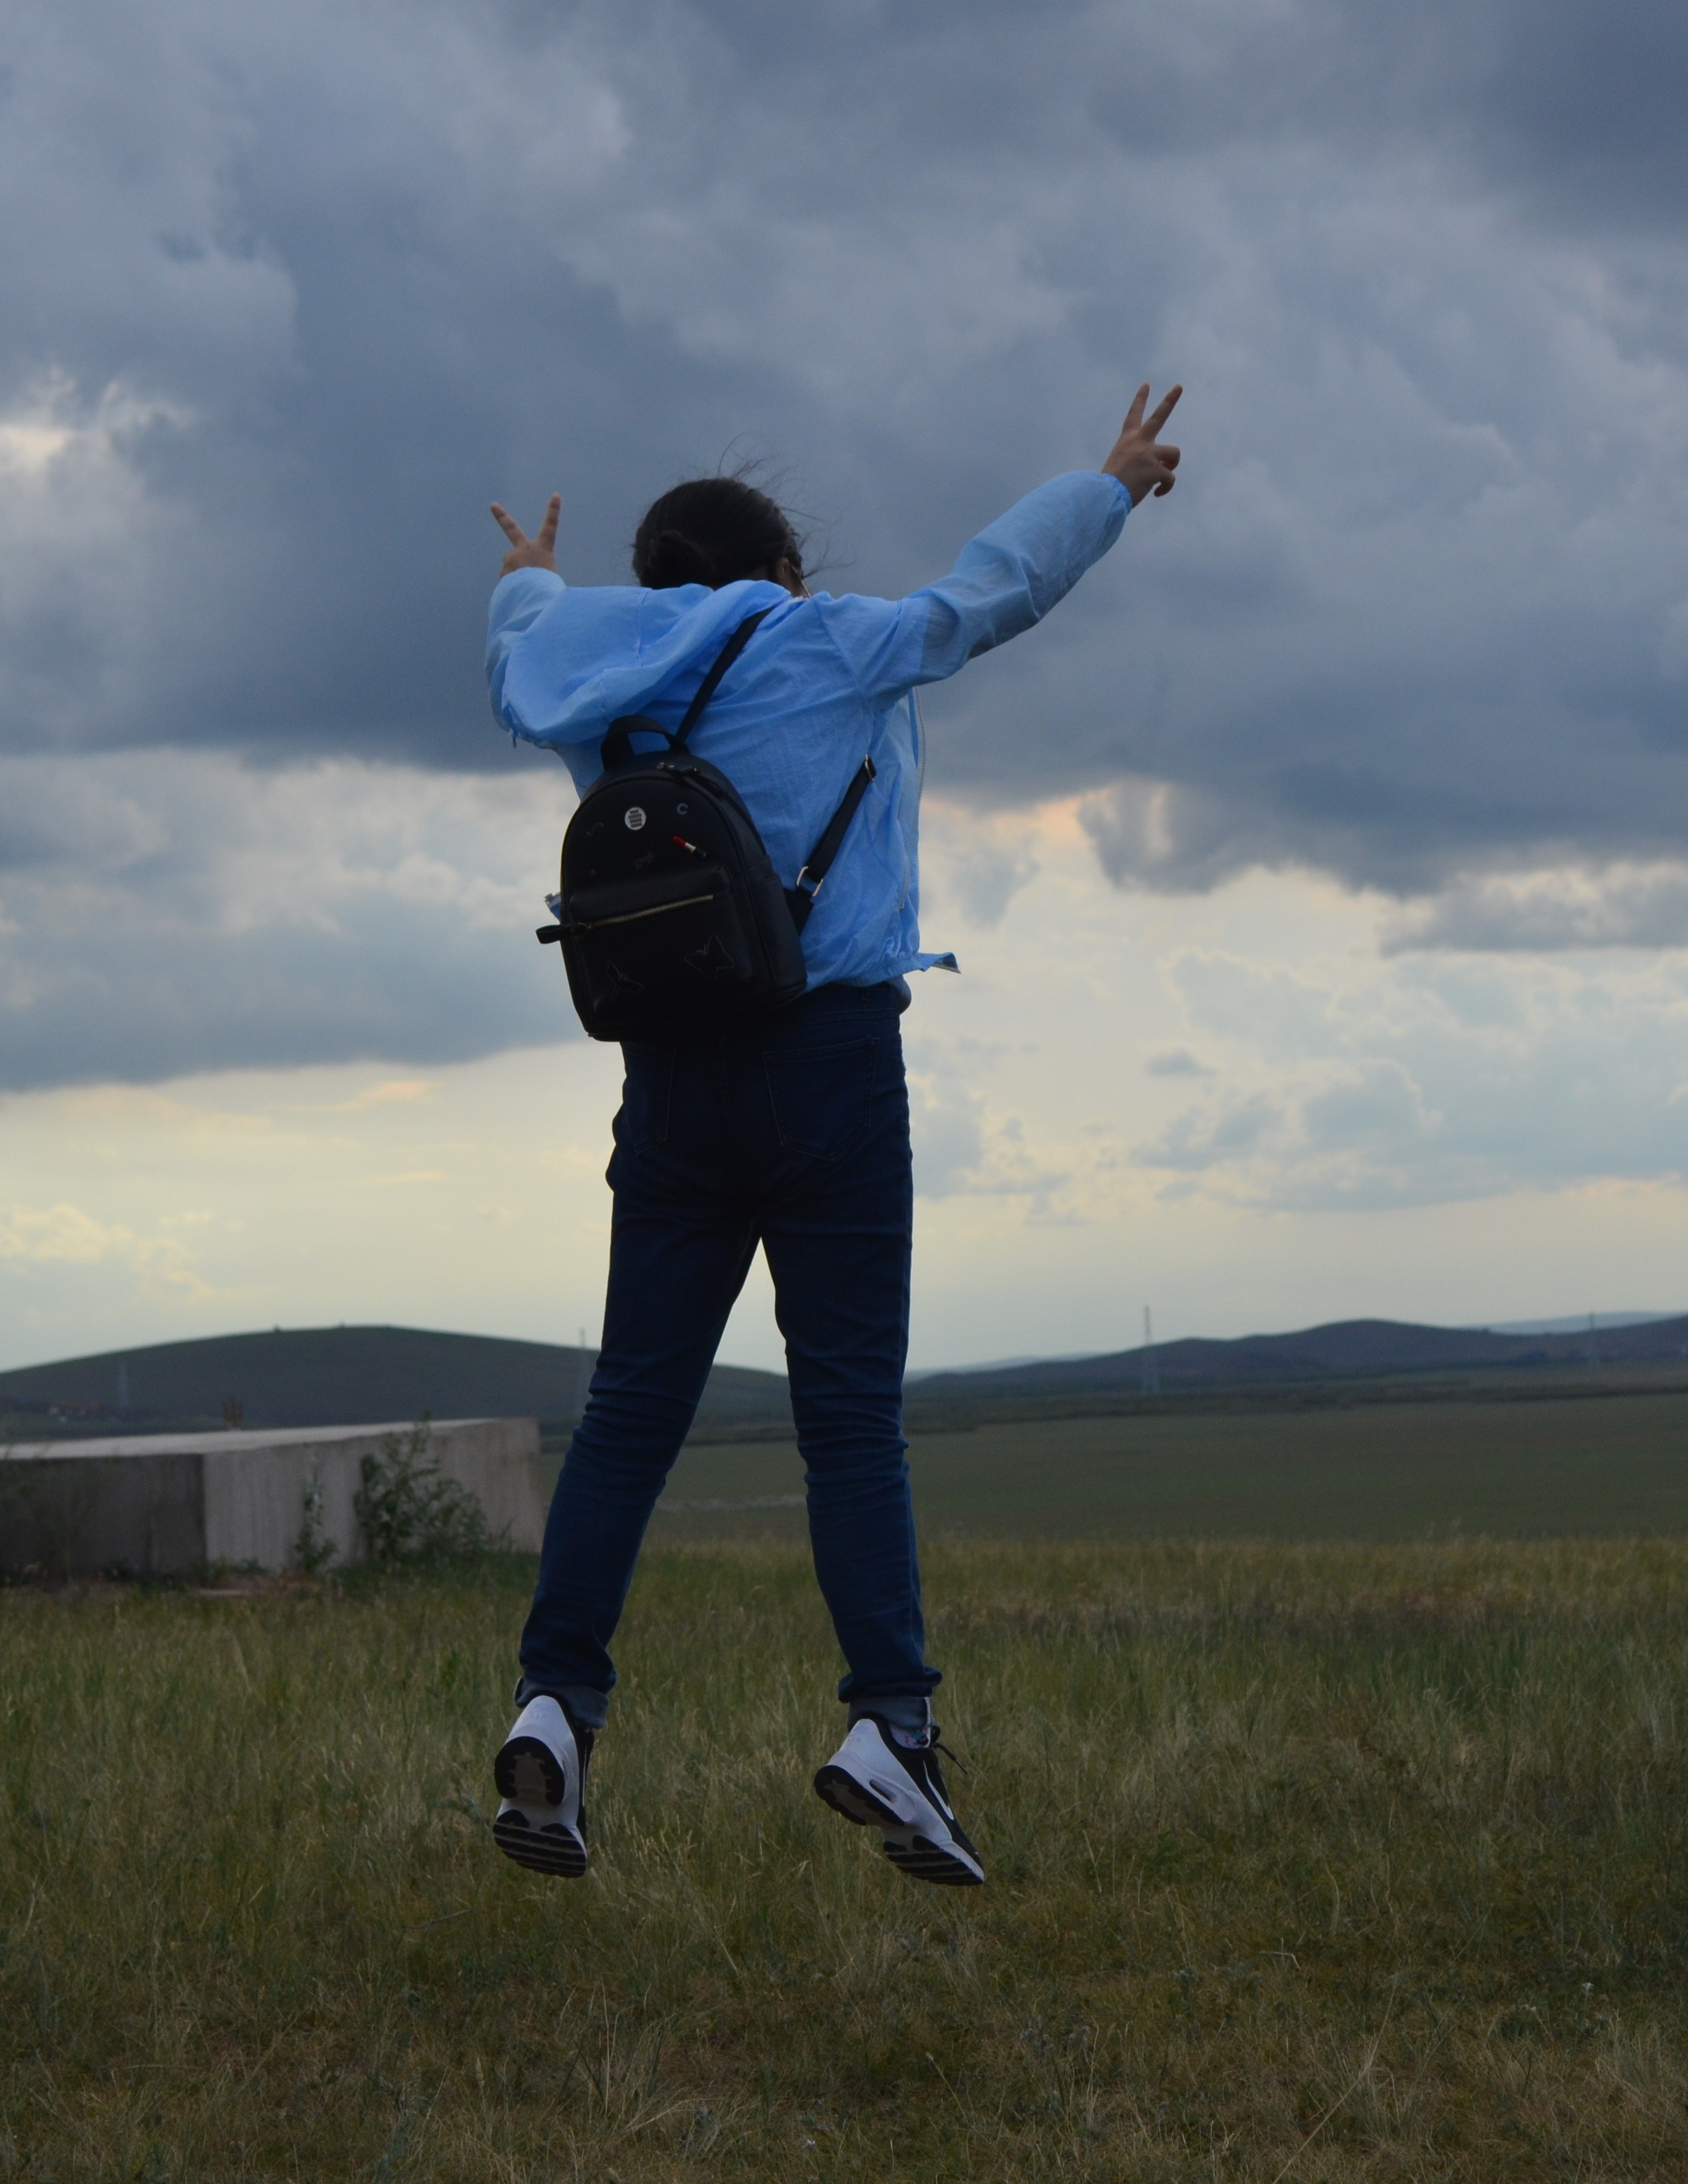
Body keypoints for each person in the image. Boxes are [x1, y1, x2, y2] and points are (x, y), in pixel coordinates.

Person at [477, 386, 1185, 1886]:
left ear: (649, 584)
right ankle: (890, 1731)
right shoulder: (827, 643)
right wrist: (1108, 485)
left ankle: (554, 1706)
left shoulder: (595, 680)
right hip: (830, 1065)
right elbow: (987, 591)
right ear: (782, 571)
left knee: (629, 1412)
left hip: (670, 1081)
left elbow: (522, 636)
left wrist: (529, 578)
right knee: (849, 1417)